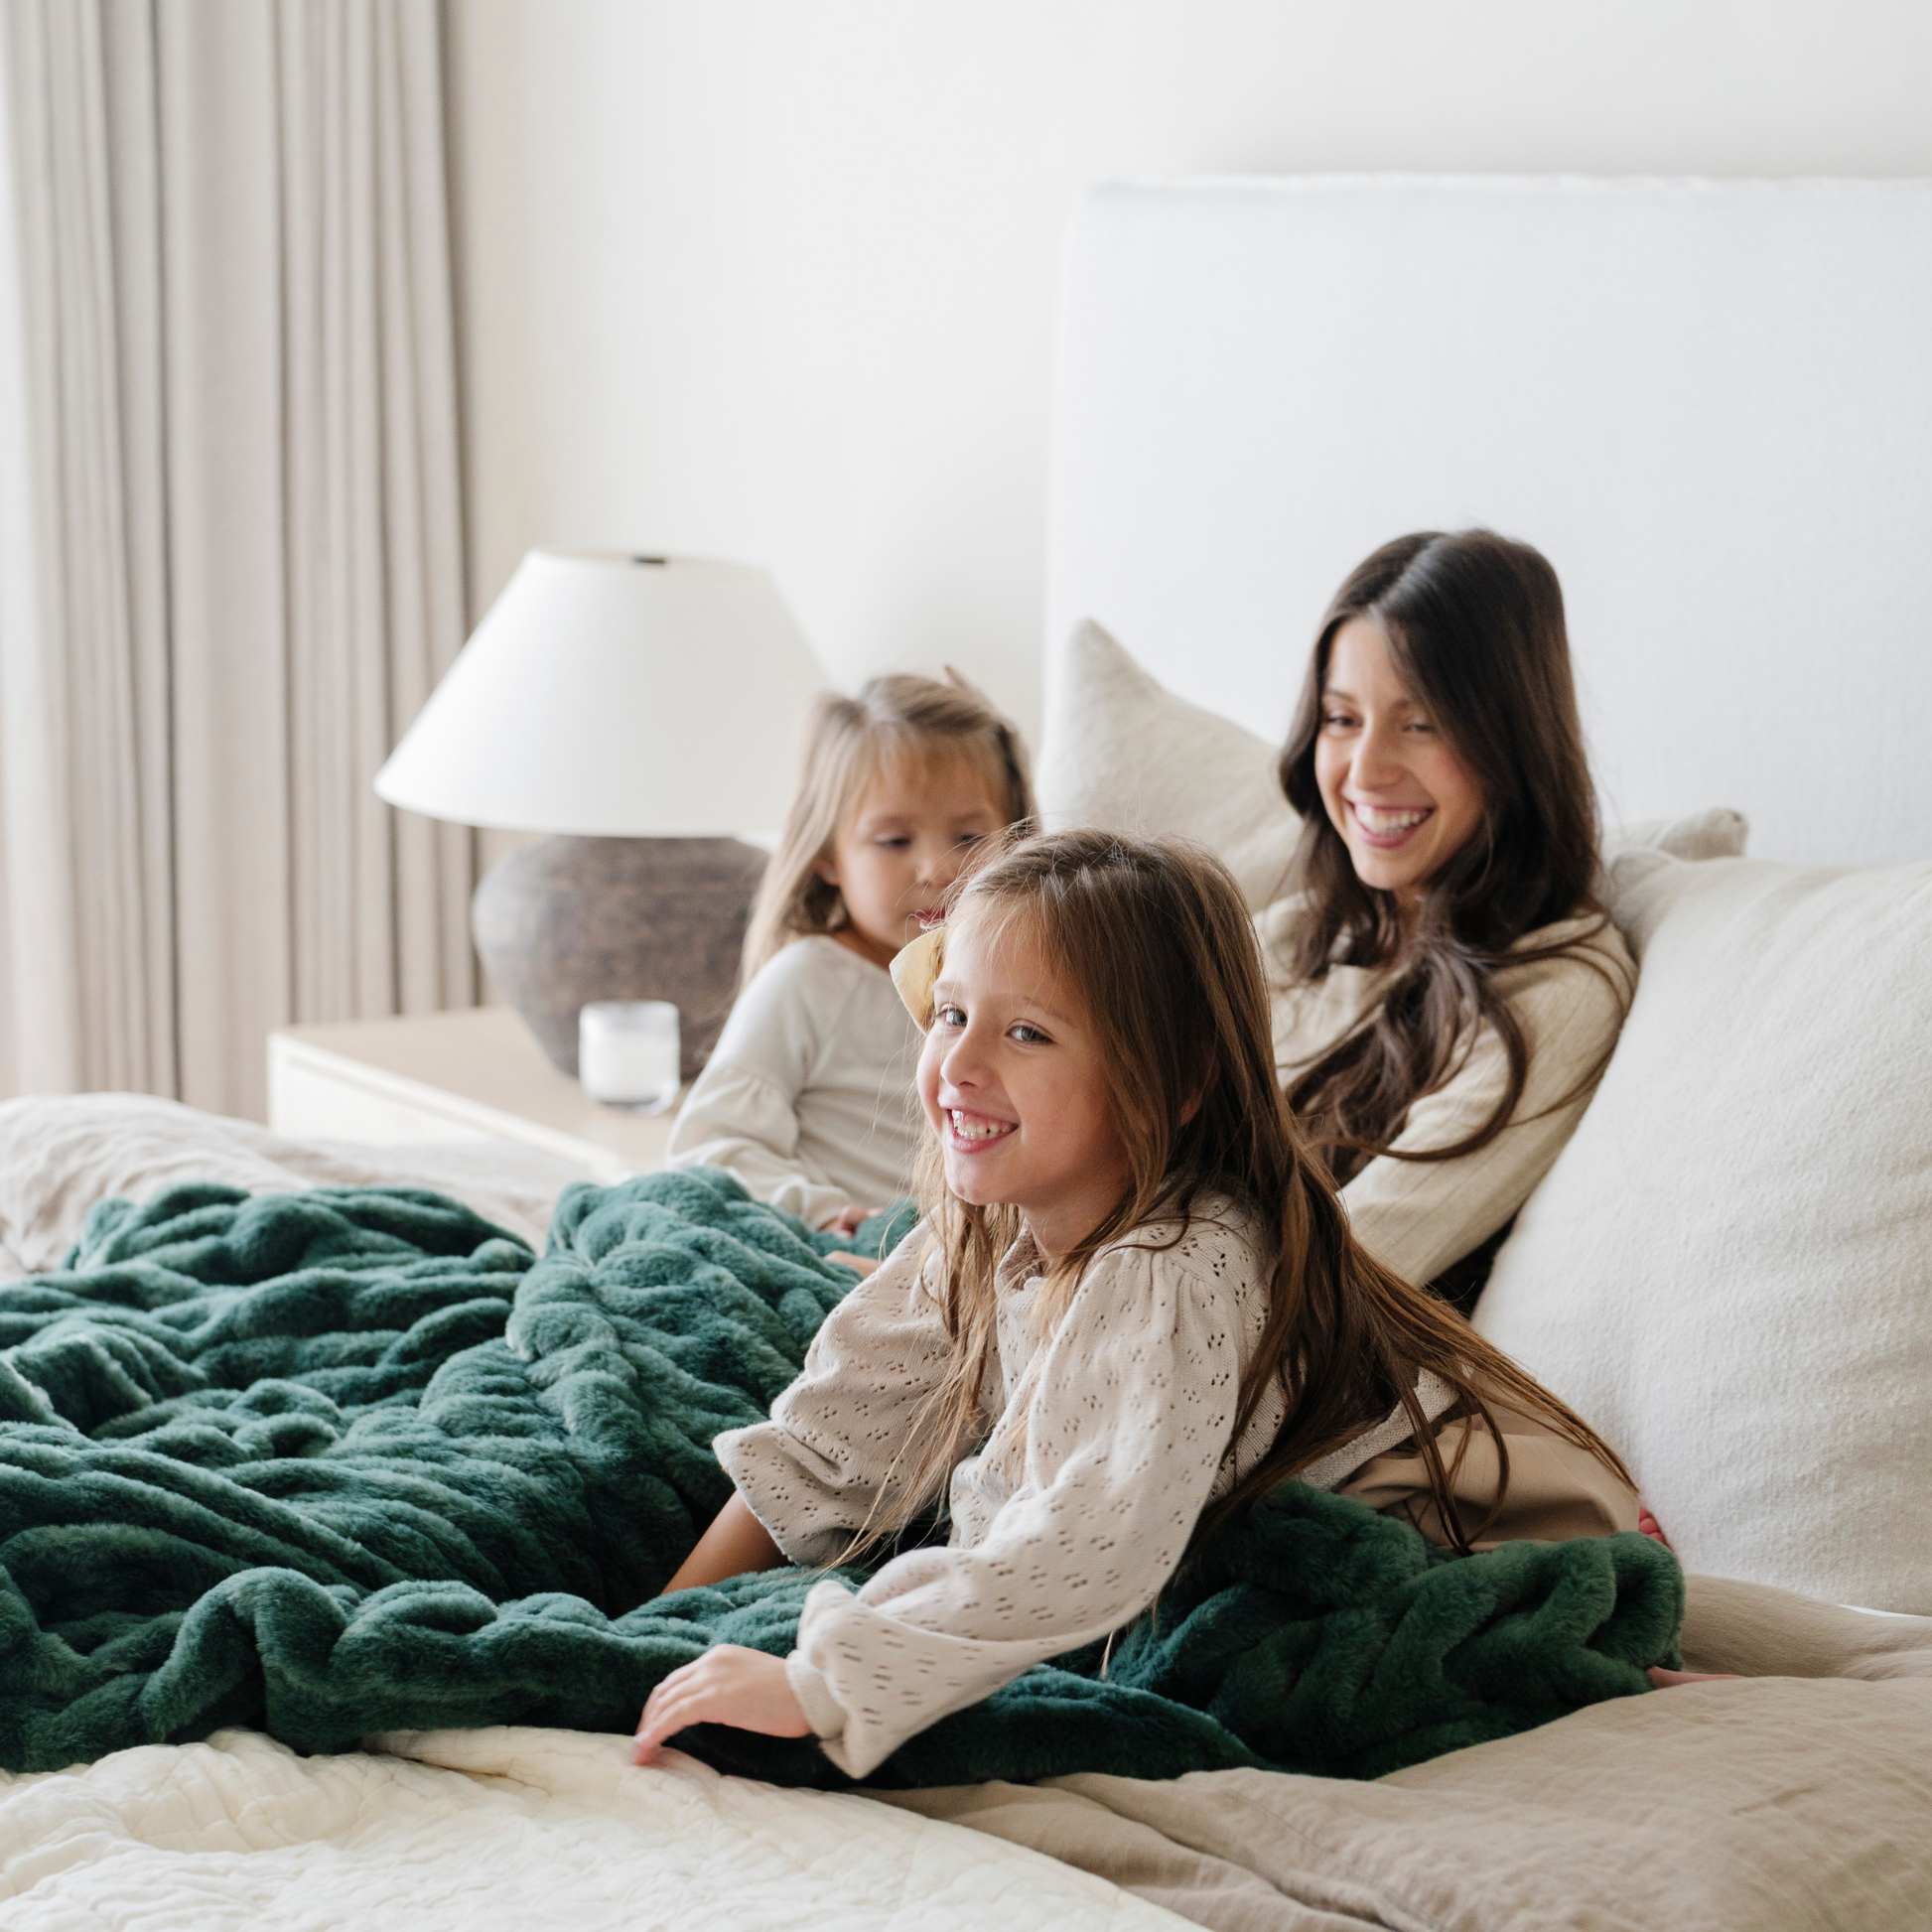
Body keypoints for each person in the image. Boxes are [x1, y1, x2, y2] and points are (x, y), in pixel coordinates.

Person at [632, 830, 1670, 1781]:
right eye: (950, 1013)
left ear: (1174, 1085)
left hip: (1468, 1517)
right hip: (1253, 1500)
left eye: (1026, 1032)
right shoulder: (983, 1217)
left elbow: (1075, 1549)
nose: (959, 1065)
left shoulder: (1169, 1265)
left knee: (1267, 1666)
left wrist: (825, 1681)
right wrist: (652, 1626)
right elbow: (827, 1439)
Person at [1263, 530, 1637, 1306]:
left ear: (1513, 741)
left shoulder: (1554, 994)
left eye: (1422, 723)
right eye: (1341, 718)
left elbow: (1339, 1274)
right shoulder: (1290, 938)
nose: (1366, 771)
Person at [664, 670, 1034, 1241]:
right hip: (842, 1246)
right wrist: (825, 1215)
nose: (936, 870)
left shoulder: (1031, 988)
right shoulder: (809, 980)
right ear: (828, 858)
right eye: (894, 841)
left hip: (967, 1253)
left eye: (967, 839)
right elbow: (708, 1147)